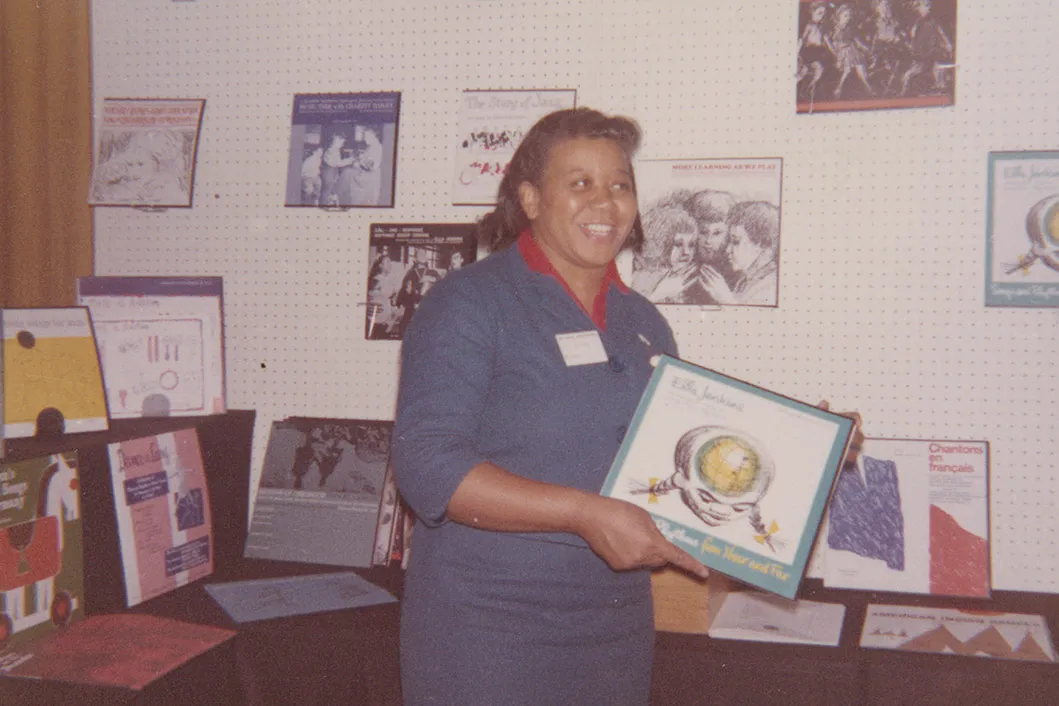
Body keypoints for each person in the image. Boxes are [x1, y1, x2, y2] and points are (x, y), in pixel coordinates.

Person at [392, 107, 708, 706]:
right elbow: (428, 465)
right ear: (531, 199)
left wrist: (809, 453)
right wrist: (583, 514)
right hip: (487, 635)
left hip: (614, 628)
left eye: (620, 185)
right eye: (580, 183)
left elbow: (679, 466)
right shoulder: (469, 303)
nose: (606, 202)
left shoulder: (645, 322)